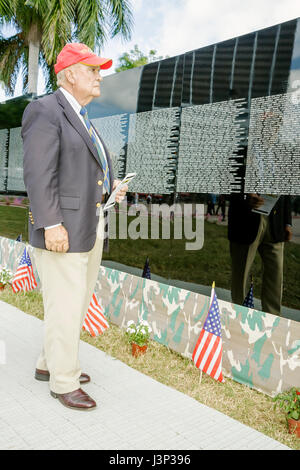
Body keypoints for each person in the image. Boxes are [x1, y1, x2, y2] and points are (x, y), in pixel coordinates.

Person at [22, 43, 128, 411]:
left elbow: (87, 171)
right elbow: (38, 173)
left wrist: (113, 185)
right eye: (92, 69)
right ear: (69, 74)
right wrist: (51, 224)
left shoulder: (83, 117)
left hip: (89, 226)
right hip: (62, 230)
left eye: (99, 69)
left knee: (73, 304)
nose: (99, 76)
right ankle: (63, 381)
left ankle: (47, 363)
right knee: (66, 306)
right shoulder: (45, 111)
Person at [228, 193, 292, 316]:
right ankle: (240, 318)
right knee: (241, 274)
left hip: (275, 222)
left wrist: (288, 222)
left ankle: (272, 320)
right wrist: (246, 196)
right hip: (245, 218)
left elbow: (286, 188)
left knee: (276, 276)